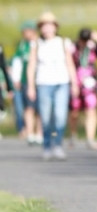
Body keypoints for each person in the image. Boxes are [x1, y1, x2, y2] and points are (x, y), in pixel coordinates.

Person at [27, 12, 79, 161]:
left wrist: (74, 83)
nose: (48, 29)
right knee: (46, 117)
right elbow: (31, 66)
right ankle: (47, 145)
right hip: (43, 83)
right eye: (44, 26)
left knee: (60, 116)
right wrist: (31, 86)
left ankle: (57, 143)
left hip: (61, 83)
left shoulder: (63, 42)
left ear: (55, 27)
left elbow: (70, 63)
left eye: (50, 25)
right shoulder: (36, 43)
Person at [69, 28, 97, 150]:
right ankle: (73, 135)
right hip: (76, 83)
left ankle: (90, 138)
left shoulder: (93, 47)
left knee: (91, 109)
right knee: (74, 111)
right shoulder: (73, 48)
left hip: (90, 84)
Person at [10, 20, 42, 144]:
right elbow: (17, 61)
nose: (24, 34)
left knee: (40, 109)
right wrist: (16, 79)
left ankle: (39, 133)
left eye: (26, 31)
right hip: (25, 80)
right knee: (29, 107)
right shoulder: (22, 45)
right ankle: (30, 133)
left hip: (40, 80)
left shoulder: (39, 43)